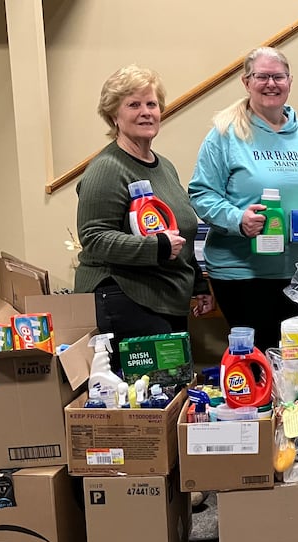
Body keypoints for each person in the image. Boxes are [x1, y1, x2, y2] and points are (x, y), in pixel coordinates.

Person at [189, 47, 298, 351]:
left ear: (290, 81)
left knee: (295, 362)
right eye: (262, 77)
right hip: (242, 273)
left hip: (297, 272)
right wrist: (238, 219)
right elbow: (201, 193)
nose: (271, 83)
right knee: (257, 362)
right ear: (246, 82)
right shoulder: (225, 134)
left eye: (278, 77)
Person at [75, 64, 214, 373]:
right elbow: (94, 239)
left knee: (172, 392)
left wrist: (197, 285)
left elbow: (179, 231)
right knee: (153, 398)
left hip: (166, 299)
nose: (146, 112)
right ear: (114, 115)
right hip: (127, 298)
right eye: (134, 104)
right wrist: (157, 247)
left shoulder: (162, 166)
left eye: (151, 104)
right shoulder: (107, 168)